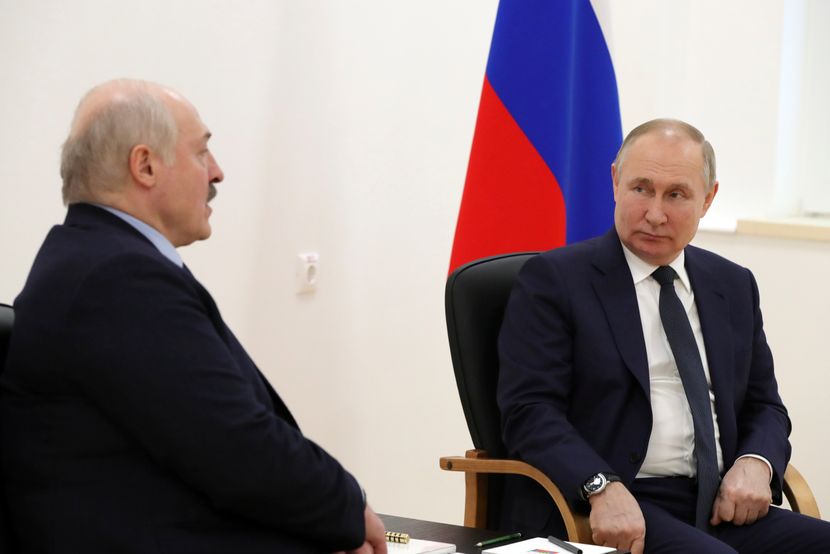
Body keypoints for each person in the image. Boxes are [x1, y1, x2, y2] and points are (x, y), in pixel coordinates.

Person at [0, 79, 387, 554]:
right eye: (202, 152)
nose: (217, 172)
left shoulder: (94, 259)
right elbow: (237, 448)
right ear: (145, 166)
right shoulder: (117, 279)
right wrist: (348, 510)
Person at [496, 119, 830, 553]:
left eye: (676, 195)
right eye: (641, 189)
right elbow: (529, 411)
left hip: (718, 502)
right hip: (605, 502)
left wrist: (757, 462)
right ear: (615, 182)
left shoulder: (732, 285)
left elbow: (764, 404)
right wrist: (599, 485)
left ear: (708, 199)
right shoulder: (555, 281)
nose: (655, 214)